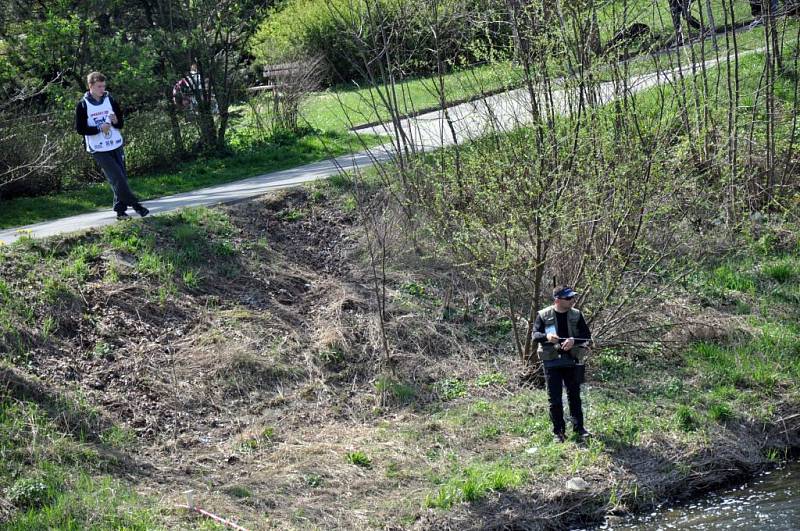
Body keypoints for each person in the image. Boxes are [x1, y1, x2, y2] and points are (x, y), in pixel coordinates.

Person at [75, 71, 148, 220]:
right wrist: (98, 128)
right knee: (116, 178)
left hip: (115, 144)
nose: (103, 89)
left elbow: (120, 123)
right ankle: (137, 206)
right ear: (91, 86)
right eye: (99, 86)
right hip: (98, 148)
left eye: (104, 86)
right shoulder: (82, 105)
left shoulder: (110, 100)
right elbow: (80, 129)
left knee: (121, 178)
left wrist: (115, 121)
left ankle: (120, 212)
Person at [532, 286, 592, 443]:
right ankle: (558, 432)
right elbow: (535, 335)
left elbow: (586, 336)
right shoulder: (543, 315)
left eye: (573, 297)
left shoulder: (577, 314)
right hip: (552, 362)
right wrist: (547, 336)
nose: (572, 300)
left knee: (574, 396)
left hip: (572, 361)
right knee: (555, 399)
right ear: (557, 300)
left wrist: (574, 341)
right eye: (569, 298)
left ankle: (579, 429)